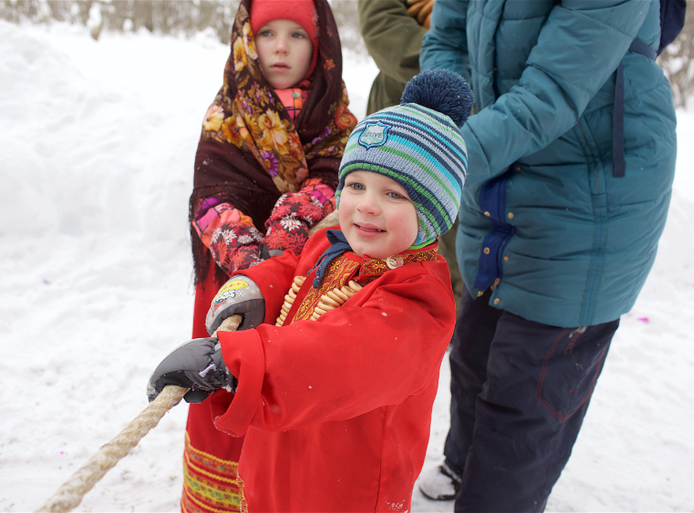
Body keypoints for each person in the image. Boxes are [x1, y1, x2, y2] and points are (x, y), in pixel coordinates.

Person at [149, 69, 475, 512]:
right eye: (356, 185)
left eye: (394, 195)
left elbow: (340, 355)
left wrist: (235, 363)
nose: (367, 205)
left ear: (433, 213)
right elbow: (293, 270)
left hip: (342, 490)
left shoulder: (418, 302)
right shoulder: (332, 245)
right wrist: (257, 288)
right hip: (278, 461)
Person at [416, 1, 677, 511]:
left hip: (589, 193)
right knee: (474, 348)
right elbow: (446, 38)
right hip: (497, 175)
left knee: (529, 386)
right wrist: (444, 123)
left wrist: (436, 160)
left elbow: (550, 92)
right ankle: (463, 463)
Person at [183, 0, 357, 510]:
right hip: (232, 280)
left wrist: (294, 224)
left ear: (321, 46)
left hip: (310, 282)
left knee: (290, 395)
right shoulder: (227, 114)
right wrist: (252, 262)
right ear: (247, 41)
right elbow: (209, 199)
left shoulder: (338, 119)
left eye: (297, 35)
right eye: (267, 34)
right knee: (224, 390)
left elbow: (341, 182)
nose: (281, 47)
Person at [357, 0, 464, 311]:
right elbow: (381, 25)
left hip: (490, 113)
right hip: (401, 113)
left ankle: (448, 316)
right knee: (396, 233)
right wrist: (457, 60)